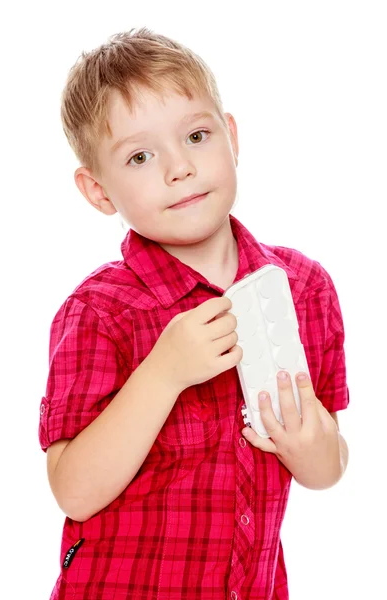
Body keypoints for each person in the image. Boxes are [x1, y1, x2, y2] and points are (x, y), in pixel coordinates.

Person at [38, 26, 350, 600]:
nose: (178, 167)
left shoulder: (303, 288)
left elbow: (328, 468)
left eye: (197, 136)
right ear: (98, 191)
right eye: (139, 156)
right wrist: (163, 372)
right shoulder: (98, 311)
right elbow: (74, 491)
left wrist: (308, 446)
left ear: (231, 137)